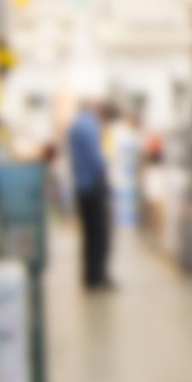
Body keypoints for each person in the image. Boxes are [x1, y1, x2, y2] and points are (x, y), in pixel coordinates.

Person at [67, 98, 114, 290]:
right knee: (100, 235)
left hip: (81, 187)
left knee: (88, 235)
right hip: (94, 187)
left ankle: (89, 275)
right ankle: (99, 276)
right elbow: (96, 159)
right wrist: (106, 173)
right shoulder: (90, 126)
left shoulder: (75, 125)